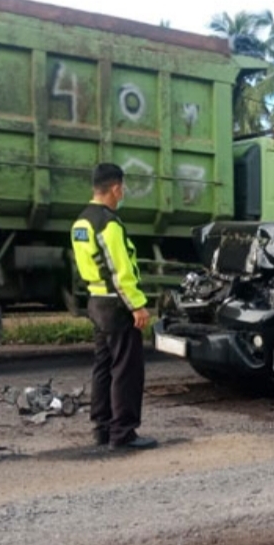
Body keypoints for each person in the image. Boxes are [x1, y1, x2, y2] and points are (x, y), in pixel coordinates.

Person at [71, 163, 157, 450]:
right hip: (116, 304)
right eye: (123, 189)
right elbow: (119, 270)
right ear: (116, 188)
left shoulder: (80, 222)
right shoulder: (109, 223)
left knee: (104, 366)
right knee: (127, 369)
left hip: (95, 301)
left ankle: (102, 429)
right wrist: (137, 306)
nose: (123, 194)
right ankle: (124, 433)